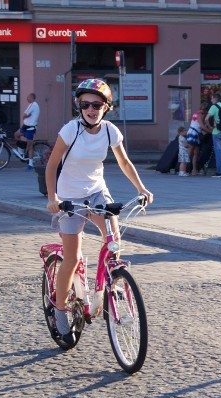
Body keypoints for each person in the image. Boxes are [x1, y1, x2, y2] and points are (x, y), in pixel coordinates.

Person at [44, 78, 153, 345]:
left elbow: (124, 162)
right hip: (70, 196)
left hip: (96, 192)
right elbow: (51, 165)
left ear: (106, 107)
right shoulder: (70, 131)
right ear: (79, 106)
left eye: (97, 104)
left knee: (114, 242)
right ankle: (60, 310)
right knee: (72, 257)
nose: (91, 109)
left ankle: (112, 280)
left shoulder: (110, 131)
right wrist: (52, 198)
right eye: (86, 104)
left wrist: (142, 188)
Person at [14, 93, 40, 165]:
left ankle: (30, 163)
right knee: (16, 134)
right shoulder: (34, 105)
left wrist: (25, 117)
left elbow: (24, 115)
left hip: (30, 128)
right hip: (25, 127)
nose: (27, 99)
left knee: (30, 146)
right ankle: (21, 152)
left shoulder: (33, 104)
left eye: (28, 97)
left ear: (32, 97)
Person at [186, 110, 202, 175]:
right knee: (191, 152)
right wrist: (210, 130)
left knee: (194, 152)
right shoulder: (200, 115)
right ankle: (185, 168)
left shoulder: (196, 113)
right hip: (194, 134)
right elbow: (202, 126)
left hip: (194, 133)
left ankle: (192, 170)